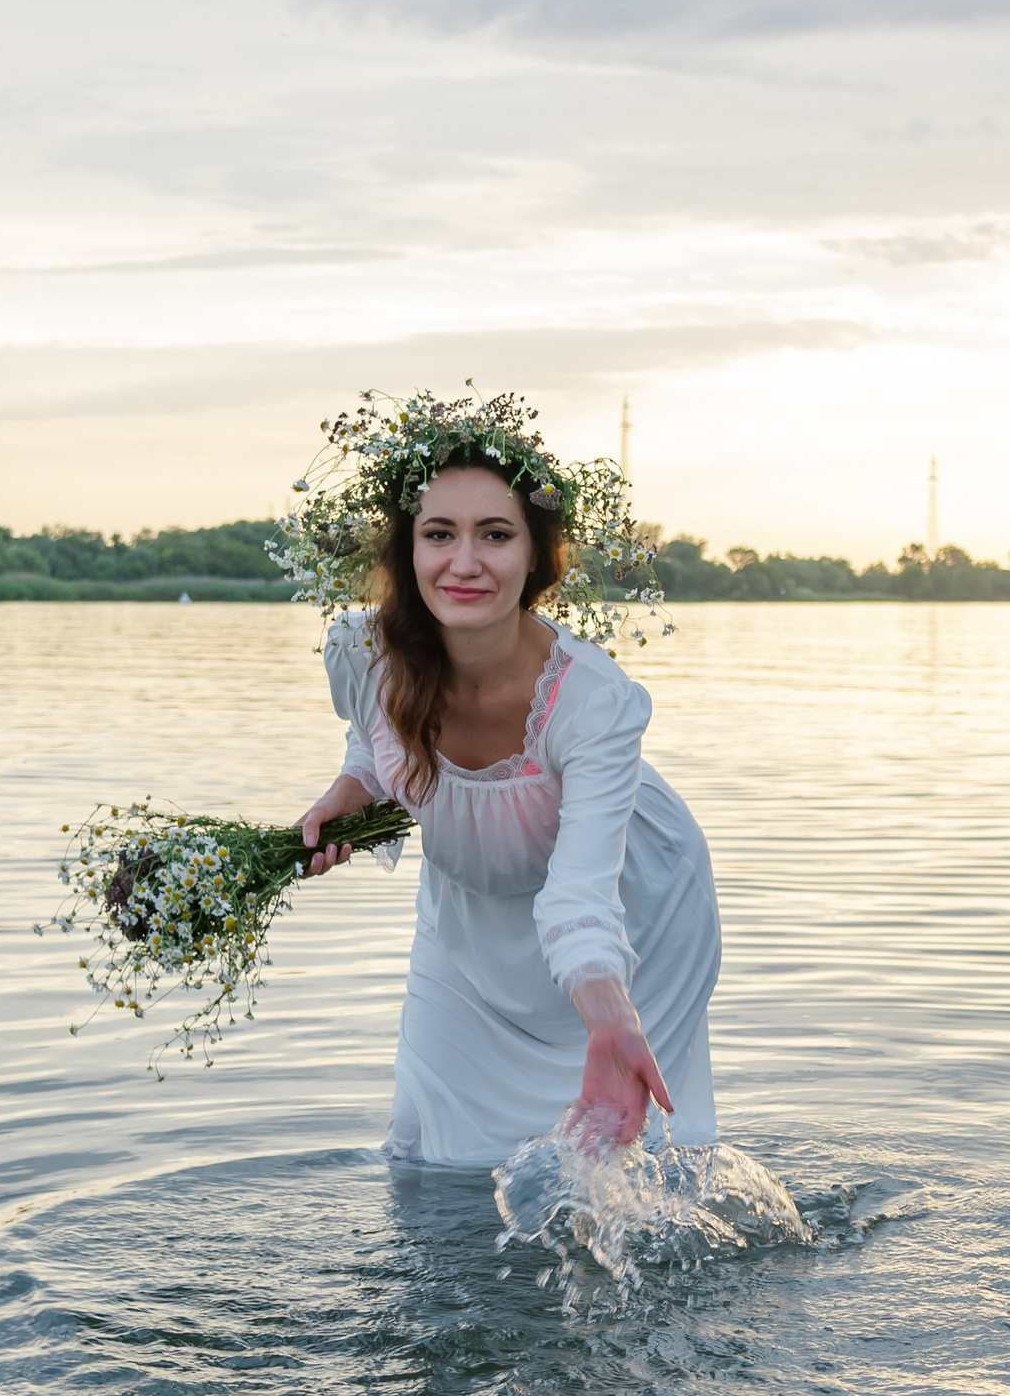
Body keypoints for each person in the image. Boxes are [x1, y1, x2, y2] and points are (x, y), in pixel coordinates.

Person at [291, 421, 721, 1168]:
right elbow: (373, 736)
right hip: (467, 918)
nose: (464, 562)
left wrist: (612, 1019)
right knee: (427, 1152)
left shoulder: (593, 701)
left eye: (494, 534)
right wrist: (350, 791)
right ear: (408, 550)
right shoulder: (360, 654)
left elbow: (580, 898)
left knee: (628, 1167)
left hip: (633, 910)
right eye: (438, 534)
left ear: (536, 558)